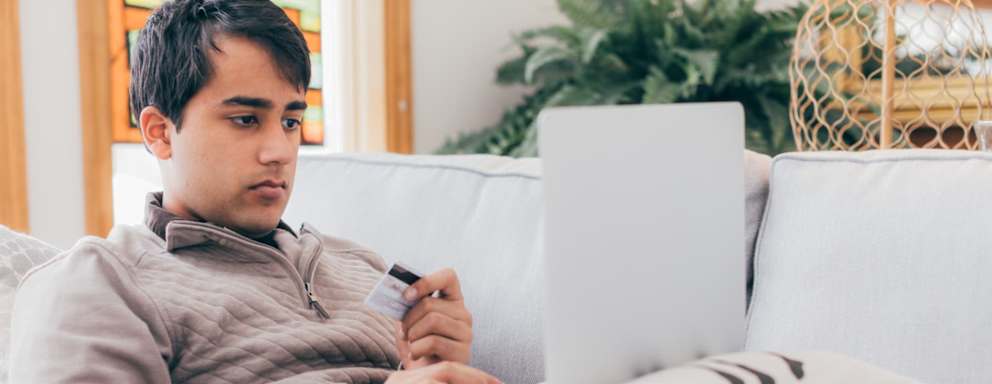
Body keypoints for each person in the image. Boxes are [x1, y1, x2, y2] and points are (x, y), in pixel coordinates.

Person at [8, 1, 499, 383]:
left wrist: (430, 362)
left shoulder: (359, 266)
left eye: (290, 121)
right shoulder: (102, 281)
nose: (279, 151)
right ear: (159, 132)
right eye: (245, 119)